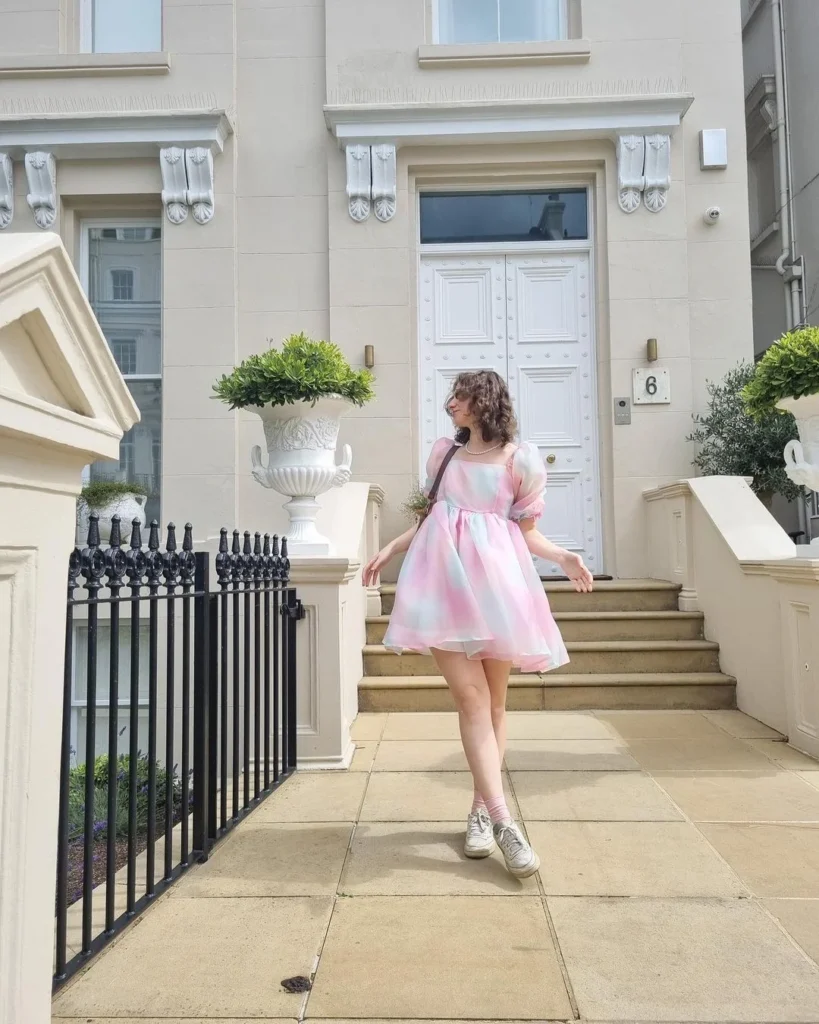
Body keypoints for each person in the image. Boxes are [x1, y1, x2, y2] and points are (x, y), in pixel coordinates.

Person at [363, 370, 593, 879]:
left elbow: (527, 532)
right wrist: (390, 548)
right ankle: (508, 825)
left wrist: (564, 558)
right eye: (452, 396)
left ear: (485, 401)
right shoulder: (444, 453)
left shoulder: (520, 460)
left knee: (495, 705)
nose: (451, 404)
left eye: (462, 396)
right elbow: (430, 517)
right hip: (443, 587)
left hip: (499, 589)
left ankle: (479, 813)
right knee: (470, 701)